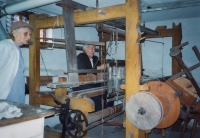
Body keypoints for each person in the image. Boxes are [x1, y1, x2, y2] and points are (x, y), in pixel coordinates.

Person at [0, 21, 33, 104]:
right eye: (26, 34)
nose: (29, 37)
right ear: (14, 33)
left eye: (29, 34)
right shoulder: (5, 45)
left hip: (17, 92)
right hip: (7, 93)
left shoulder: (17, 48)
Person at [73, 44, 105, 112]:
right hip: (82, 84)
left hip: (93, 83)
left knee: (107, 91)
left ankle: (106, 111)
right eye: (92, 48)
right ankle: (98, 114)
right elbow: (83, 70)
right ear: (86, 49)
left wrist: (105, 66)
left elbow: (101, 67)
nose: (94, 50)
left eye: (94, 48)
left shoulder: (95, 58)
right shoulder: (80, 57)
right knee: (95, 93)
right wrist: (98, 68)